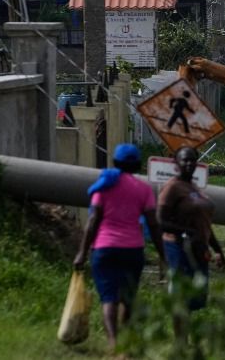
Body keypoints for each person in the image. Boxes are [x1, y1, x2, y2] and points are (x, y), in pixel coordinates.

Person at [73, 143, 166, 351]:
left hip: (105, 249)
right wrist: (163, 255)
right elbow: (153, 223)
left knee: (109, 299)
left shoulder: (104, 185)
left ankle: (114, 343)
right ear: (137, 166)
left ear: (115, 163)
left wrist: (81, 252)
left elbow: (93, 220)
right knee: (127, 298)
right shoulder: (144, 190)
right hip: (133, 251)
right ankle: (124, 342)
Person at [159, 146, 225, 335]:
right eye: (184, 160)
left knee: (195, 298)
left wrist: (218, 249)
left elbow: (204, 225)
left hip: (198, 248)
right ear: (176, 163)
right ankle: (180, 342)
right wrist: (188, 232)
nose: (188, 163)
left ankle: (184, 337)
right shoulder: (172, 187)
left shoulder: (194, 188)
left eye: (192, 160)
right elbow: (161, 221)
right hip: (179, 247)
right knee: (181, 295)